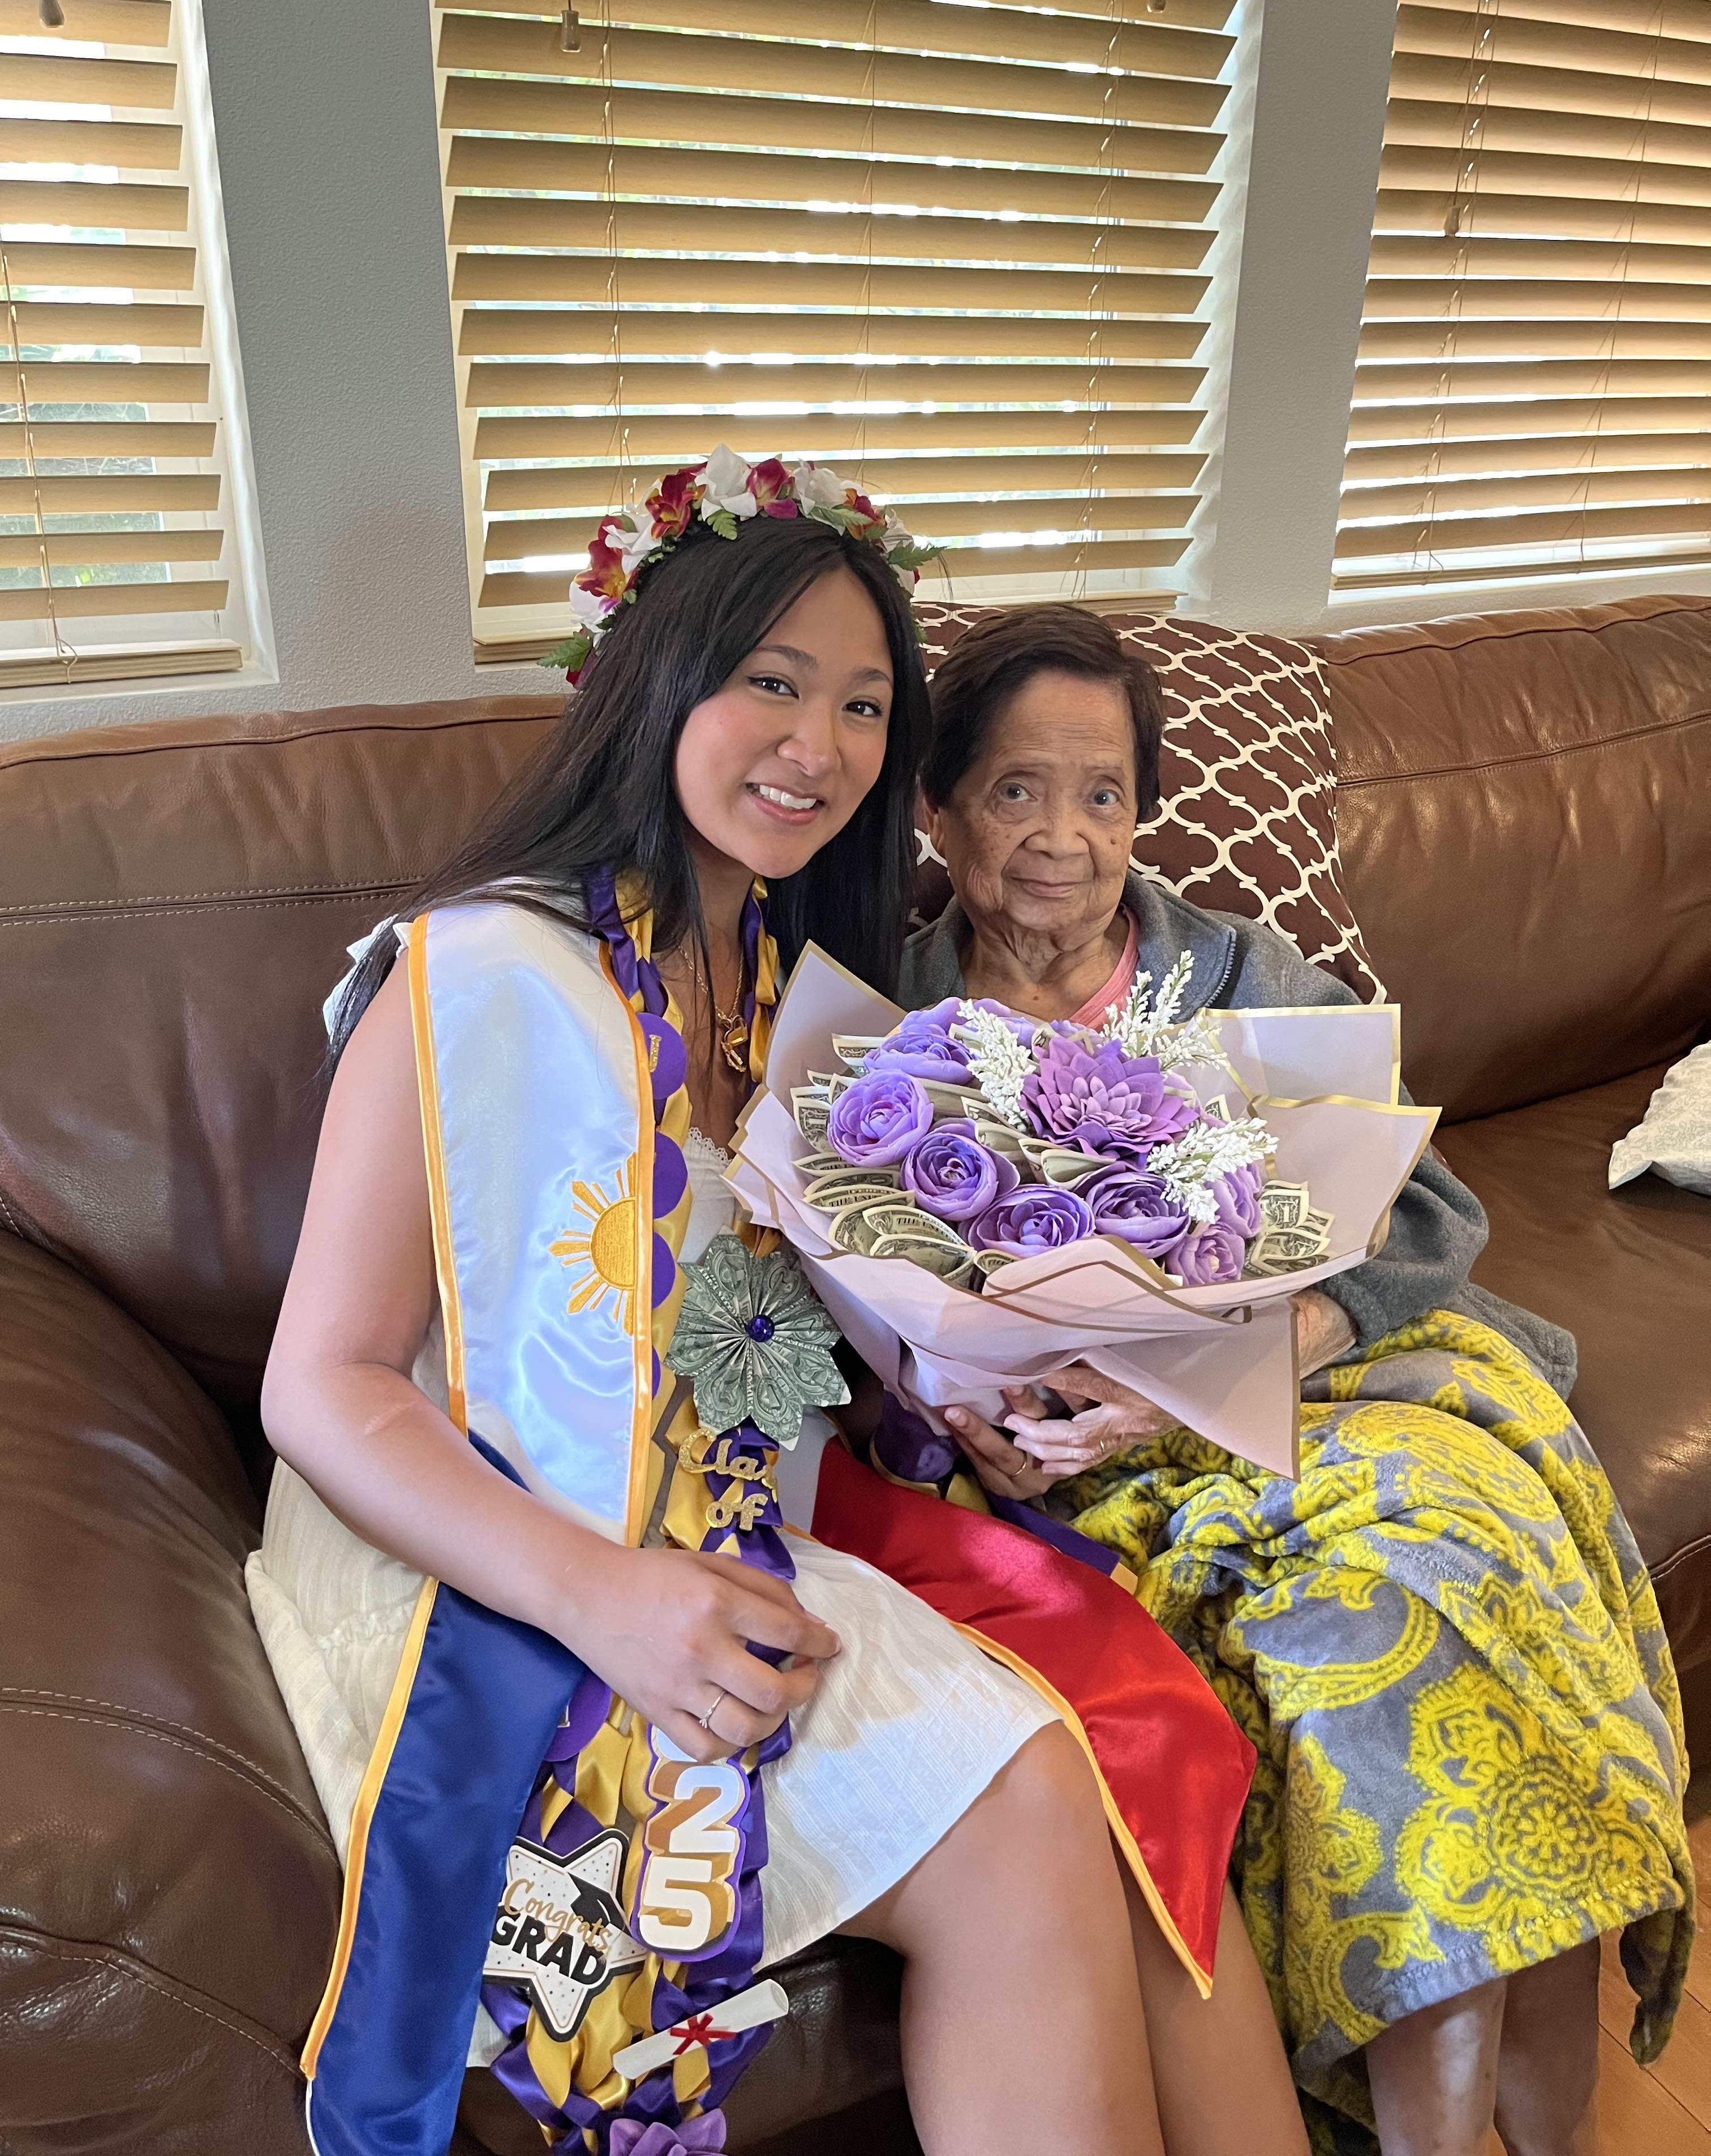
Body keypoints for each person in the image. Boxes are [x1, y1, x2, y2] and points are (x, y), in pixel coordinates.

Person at [247, 461, 1309, 2156]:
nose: (820, 743)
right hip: (489, 1540)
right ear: (663, 677)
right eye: (773, 683)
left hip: (740, 1511)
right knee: (1043, 1789)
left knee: (1123, 1742)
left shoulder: (795, 996)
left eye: (868, 704)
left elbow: (787, 1328)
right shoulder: (482, 972)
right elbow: (321, 1386)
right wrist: (604, 1599)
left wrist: (966, 1396)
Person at [895, 602, 1693, 2156]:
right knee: (1364, 1631)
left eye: (1104, 793)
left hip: (1340, 1394)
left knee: (1460, 1567)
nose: (1064, 837)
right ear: (937, 809)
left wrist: (1264, 1347)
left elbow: (1428, 1213)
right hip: (1099, 1473)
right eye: (1013, 792)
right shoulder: (890, 1032)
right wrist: (968, 1423)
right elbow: (870, 1324)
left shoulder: (1240, 977)